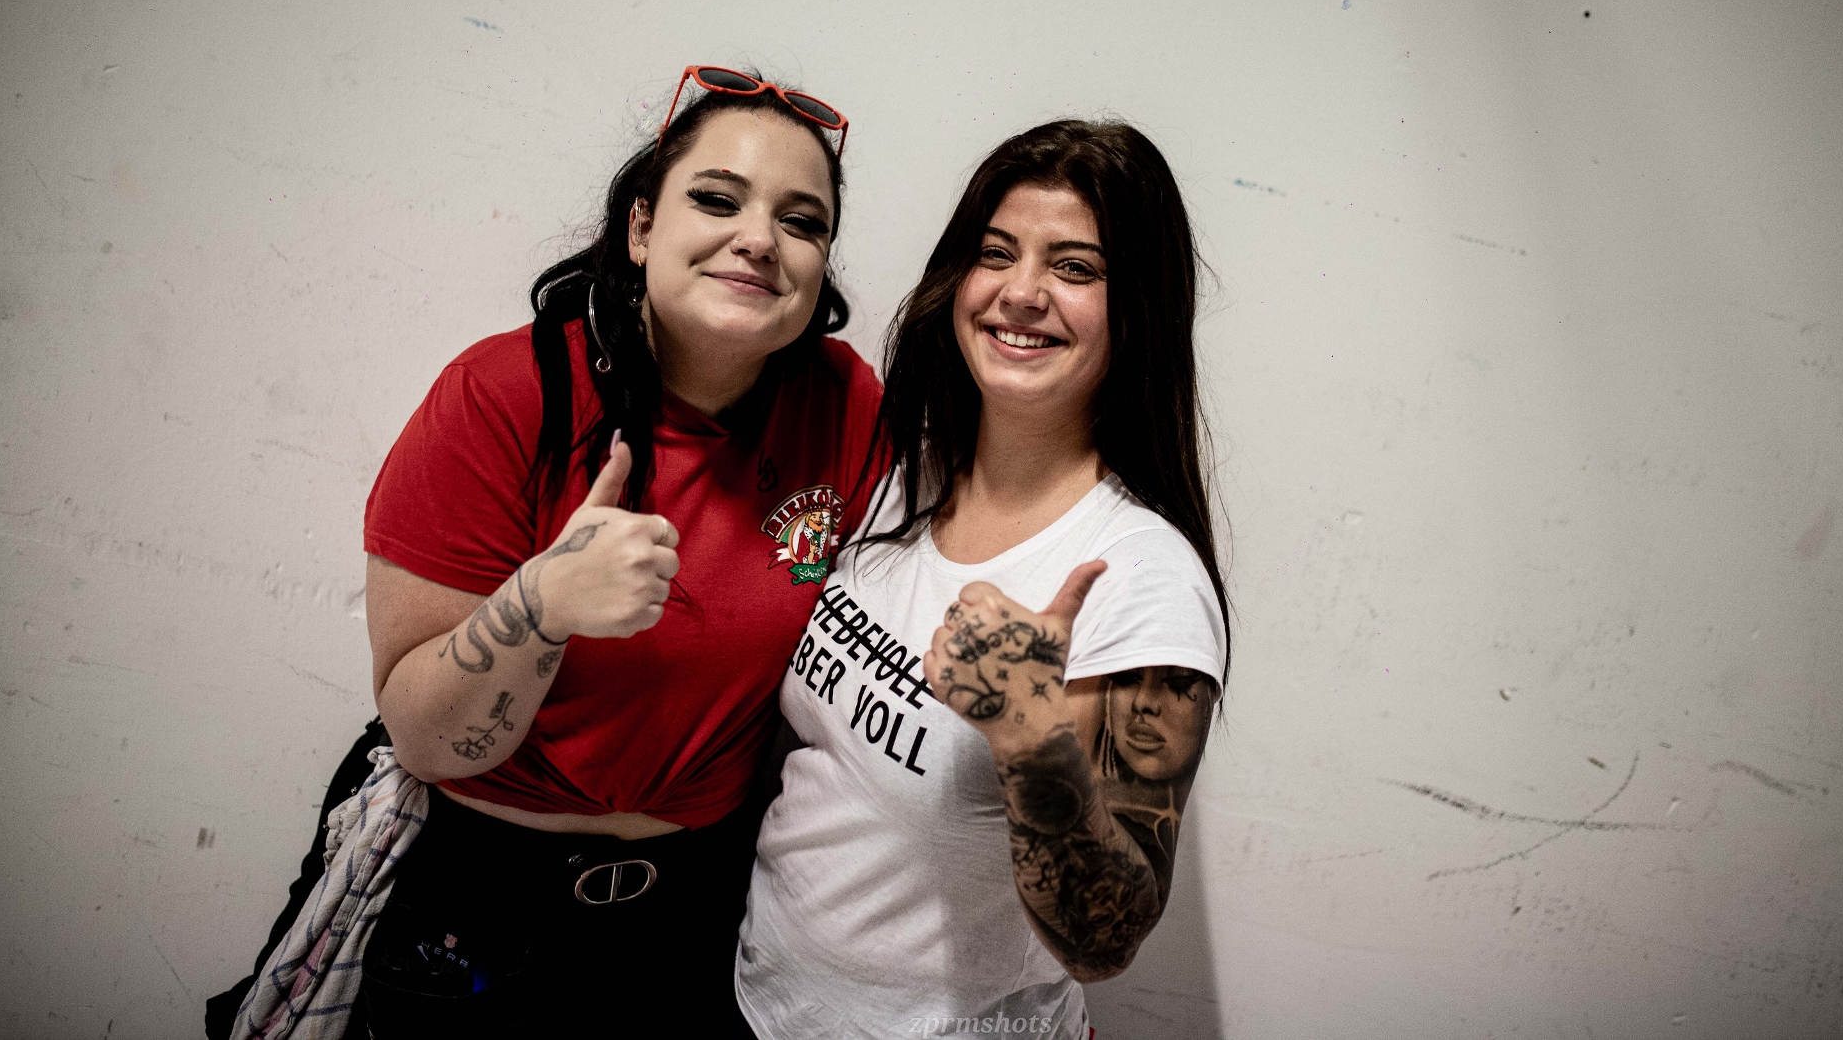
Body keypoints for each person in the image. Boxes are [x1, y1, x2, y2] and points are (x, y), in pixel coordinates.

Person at [344, 66, 881, 1034]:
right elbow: (423, 740)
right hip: (483, 910)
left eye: (801, 221)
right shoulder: (506, 393)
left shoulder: (844, 407)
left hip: (702, 911)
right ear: (640, 226)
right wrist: (540, 603)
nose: (759, 238)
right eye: (716, 199)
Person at [735, 120, 1231, 1039]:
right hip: (759, 1003)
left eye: (1075, 268)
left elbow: (1105, 937)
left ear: (1140, 310)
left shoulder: (1143, 576)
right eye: (996, 253)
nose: (1022, 292)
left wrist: (1029, 731)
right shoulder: (900, 470)